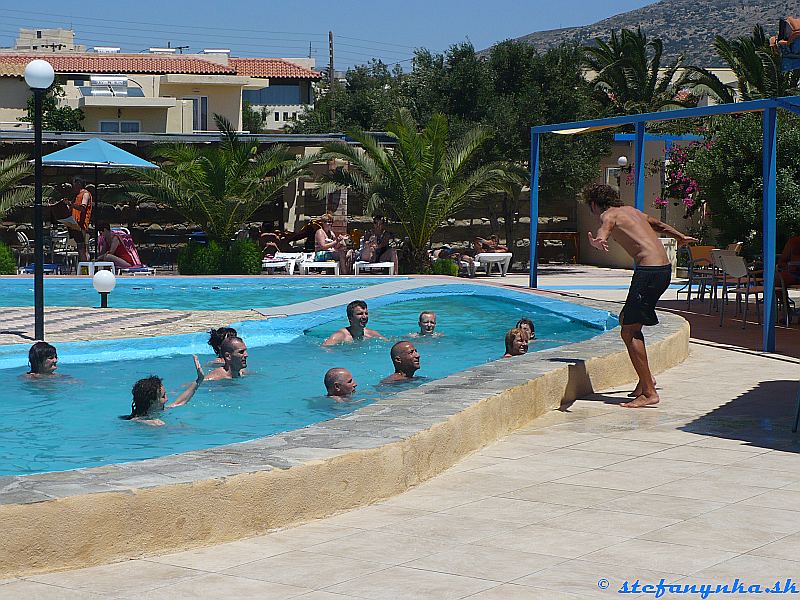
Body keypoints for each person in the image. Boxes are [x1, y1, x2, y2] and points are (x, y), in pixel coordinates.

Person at [585, 183, 697, 408]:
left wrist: (600, 240)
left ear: (595, 204)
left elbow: (604, 228)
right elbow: (658, 224)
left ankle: (649, 391)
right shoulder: (633, 211)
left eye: (592, 207)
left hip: (649, 273)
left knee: (629, 329)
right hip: (662, 271)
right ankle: (645, 381)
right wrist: (679, 236)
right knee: (630, 323)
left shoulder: (608, 214)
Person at [119, 356, 205, 426]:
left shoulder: (158, 410)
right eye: (163, 396)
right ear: (152, 401)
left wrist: (199, 379)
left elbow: (179, 402)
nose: (167, 399)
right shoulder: (143, 421)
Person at [322, 300, 387, 346]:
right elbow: (324, 349)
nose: (364, 317)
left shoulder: (371, 333)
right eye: (360, 314)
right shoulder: (340, 336)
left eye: (366, 313)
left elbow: (388, 342)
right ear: (350, 318)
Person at [63, 176, 93, 262]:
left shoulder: (85, 194)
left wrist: (71, 204)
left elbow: (83, 207)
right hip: (74, 225)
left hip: (81, 225)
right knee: (81, 248)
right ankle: (84, 268)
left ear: (78, 184)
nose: (73, 187)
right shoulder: (76, 196)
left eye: (74, 184)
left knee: (82, 248)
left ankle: (85, 268)